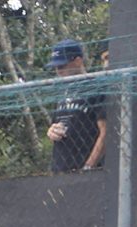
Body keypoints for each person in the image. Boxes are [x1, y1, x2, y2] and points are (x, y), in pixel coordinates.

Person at [46, 41, 109, 174]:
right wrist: (51, 132)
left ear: (78, 61)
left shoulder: (96, 87)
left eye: (62, 65)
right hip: (60, 170)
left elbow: (106, 132)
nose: (59, 71)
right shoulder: (60, 91)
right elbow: (55, 125)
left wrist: (88, 167)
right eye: (56, 67)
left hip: (88, 168)